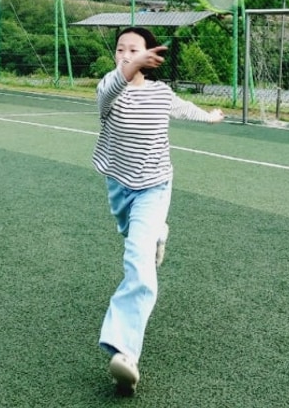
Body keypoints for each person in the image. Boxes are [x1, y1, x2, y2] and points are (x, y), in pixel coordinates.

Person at [92, 26, 225, 394]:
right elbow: (114, 84)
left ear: (150, 56)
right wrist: (128, 65)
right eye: (120, 49)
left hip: (154, 187)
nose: (125, 54)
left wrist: (210, 116)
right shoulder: (109, 90)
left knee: (138, 262)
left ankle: (125, 353)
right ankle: (159, 234)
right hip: (120, 186)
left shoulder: (160, 93)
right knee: (131, 237)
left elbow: (183, 108)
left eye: (133, 49)